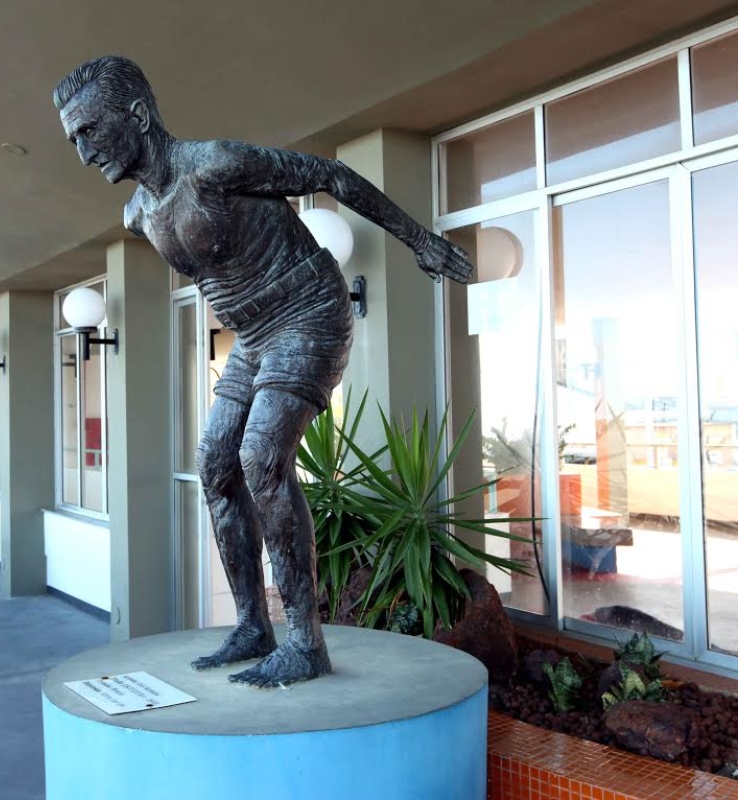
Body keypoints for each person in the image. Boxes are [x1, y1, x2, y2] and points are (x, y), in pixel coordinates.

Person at [55, 55, 473, 687]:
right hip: (251, 338)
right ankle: (254, 623)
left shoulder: (215, 164)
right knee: (215, 464)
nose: (83, 152)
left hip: (308, 311)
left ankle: (305, 641)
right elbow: (215, 273)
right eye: (73, 139)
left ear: (136, 115)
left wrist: (420, 240)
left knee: (260, 458)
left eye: (89, 131)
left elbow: (330, 174)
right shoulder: (137, 215)